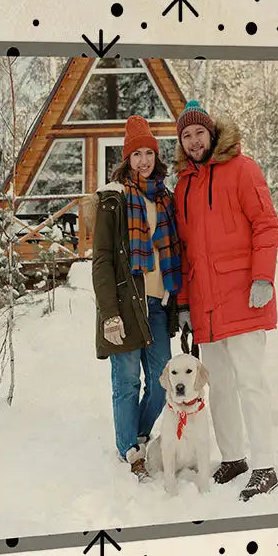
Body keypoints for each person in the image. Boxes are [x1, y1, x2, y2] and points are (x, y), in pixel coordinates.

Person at [173, 100, 278, 501]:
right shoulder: (183, 187)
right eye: (186, 135)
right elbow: (185, 252)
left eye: (199, 132)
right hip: (206, 306)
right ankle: (234, 457)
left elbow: (266, 223)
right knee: (217, 387)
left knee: (250, 383)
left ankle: (265, 465)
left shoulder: (242, 169)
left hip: (244, 298)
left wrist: (263, 277)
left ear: (211, 133)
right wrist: (184, 303)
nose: (194, 140)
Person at [90, 115, 181, 481]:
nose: (143, 160)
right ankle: (130, 448)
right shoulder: (114, 198)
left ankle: (139, 434)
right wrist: (109, 312)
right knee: (126, 381)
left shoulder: (165, 197)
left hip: (158, 302)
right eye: (136, 154)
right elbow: (103, 260)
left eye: (149, 153)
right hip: (127, 305)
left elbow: (177, 250)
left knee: (162, 380)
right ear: (126, 158)